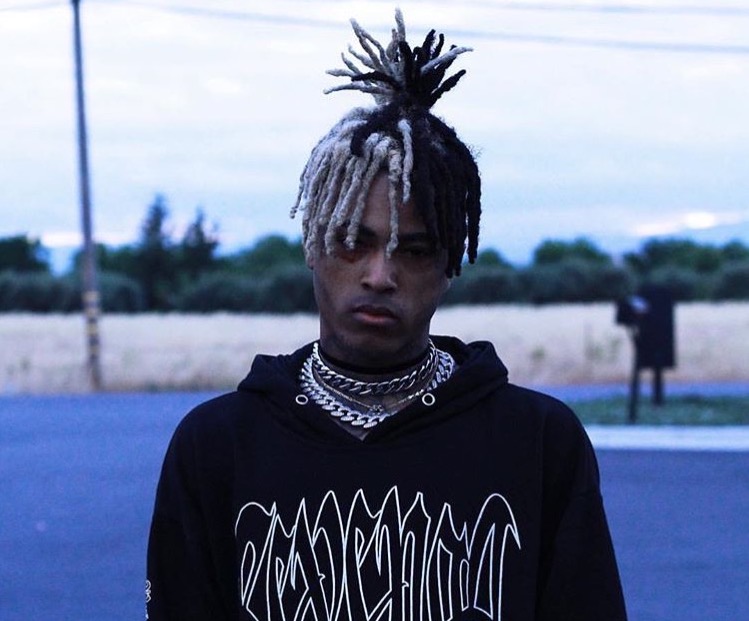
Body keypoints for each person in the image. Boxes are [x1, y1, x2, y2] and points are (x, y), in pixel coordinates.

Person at [146, 9, 627, 620]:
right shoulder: (218, 445)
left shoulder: (537, 442)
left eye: (415, 250)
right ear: (313, 245)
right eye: (354, 241)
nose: (380, 275)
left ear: (450, 265)